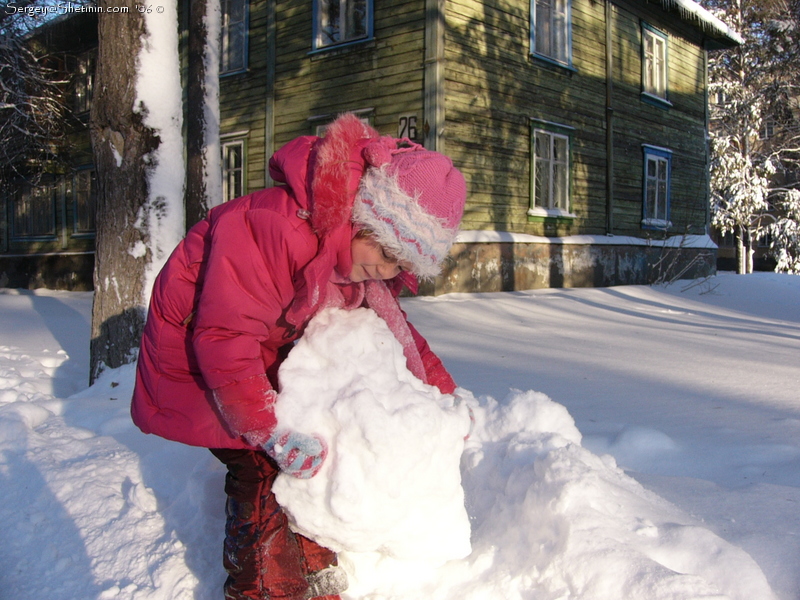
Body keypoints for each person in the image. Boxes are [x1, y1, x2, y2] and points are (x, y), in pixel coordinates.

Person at [130, 112, 467, 600]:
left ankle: (310, 559)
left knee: (313, 439)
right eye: (390, 253)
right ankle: (262, 586)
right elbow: (224, 335)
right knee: (258, 464)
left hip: (256, 353)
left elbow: (400, 333)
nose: (387, 270)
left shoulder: (353, 258)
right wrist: (267, 428)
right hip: (196, 356)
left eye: (403, 264)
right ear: (366, 216)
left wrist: (445, 395)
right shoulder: (275, 228)